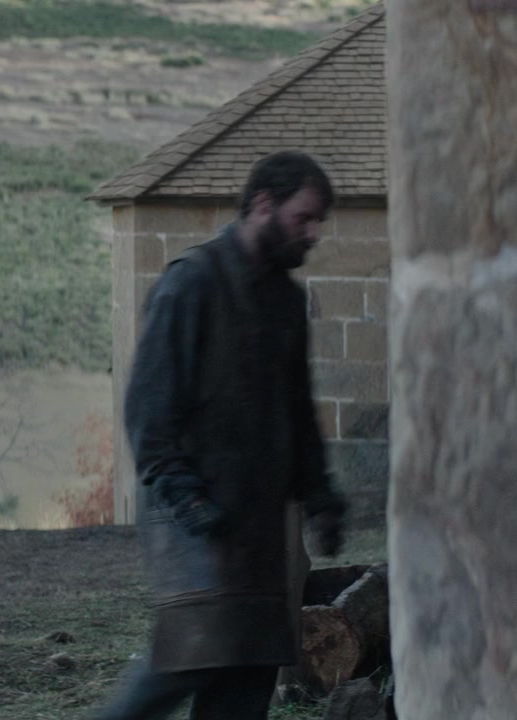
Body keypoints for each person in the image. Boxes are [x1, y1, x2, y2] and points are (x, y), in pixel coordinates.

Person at [95, 151, 348, 720]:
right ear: (263, 204)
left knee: (249, 674)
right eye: (304, 218)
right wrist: (185, 496)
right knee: (192, 655)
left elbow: (296, 410)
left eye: (318, 222)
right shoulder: (192, 283)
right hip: (192, 519)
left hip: (258, 523)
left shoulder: (286, 301)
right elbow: (148, 409)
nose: (313, 234)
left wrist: (320, 496)